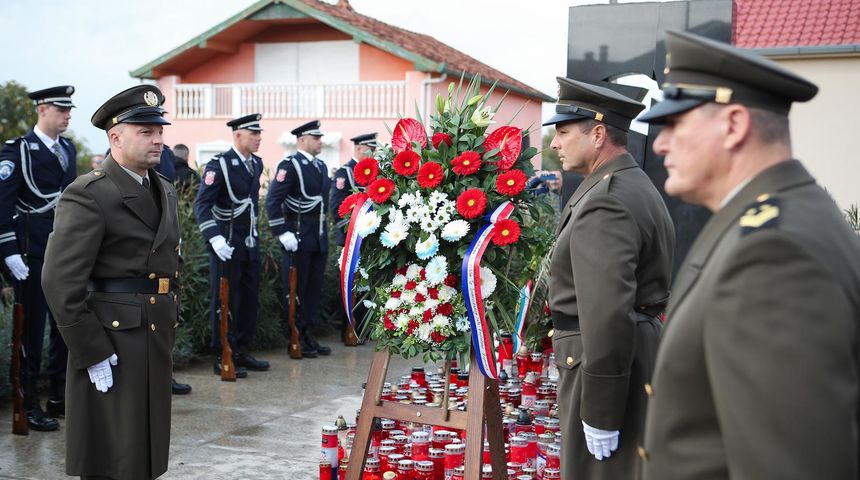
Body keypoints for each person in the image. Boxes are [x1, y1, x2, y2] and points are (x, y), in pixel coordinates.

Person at [637, 31, 860, 479]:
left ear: (734, 125)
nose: (660, 144)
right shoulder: (775, 218)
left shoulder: (771, 253)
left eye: (675, 123)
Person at [42, 84, 179, 479]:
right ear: (115, 138)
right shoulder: (89, 193)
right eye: (146, 132)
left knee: (144, 448)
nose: (157, 140)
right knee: (112, 451)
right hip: (112, 338)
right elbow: (59, 281)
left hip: (153, 331)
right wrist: (91, 349)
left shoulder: (164, 189)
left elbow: (169, 264)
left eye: (159, 131)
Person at [544, 77, 675, 479]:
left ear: (598, 134)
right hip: (622, 352)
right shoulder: (626, 183)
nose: (555, 143)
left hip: (600, 360)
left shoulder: (606, 201)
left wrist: (601, 410)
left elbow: (605, 313)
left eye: (563, 131)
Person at [0, 85, 78, 431]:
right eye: (61, 110)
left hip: (62, 251)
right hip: (30, 252)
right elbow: (2, 205)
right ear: (42, 109)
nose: (67, 116)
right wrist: (9, 252)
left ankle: (59, 395)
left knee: (65, 326)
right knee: (30, 331)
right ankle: (28, 402)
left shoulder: (68, 149)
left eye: (69, 110)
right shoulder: (17, 150)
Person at [194, 113, 270, 377]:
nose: (259, 138)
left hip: (249, 240)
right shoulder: (220, 165)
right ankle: (222, 352)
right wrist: (214, 237)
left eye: (259, 133)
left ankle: (241, 349)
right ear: (238, 135)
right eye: (254, 133)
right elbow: (202, 205)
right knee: (226, 299)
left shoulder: (256, 163)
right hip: (226, 241)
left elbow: (250, 204)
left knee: (249, 297)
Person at [266, 120, 332, 358]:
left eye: (320, 138)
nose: (320, 142)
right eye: (316, 138)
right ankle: (295, 335)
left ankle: (307, 334)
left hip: (317, 237)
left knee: (313, 289)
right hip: (297, 236)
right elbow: (272, 201)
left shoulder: (321, 166)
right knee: (296, 290)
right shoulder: (290, 165)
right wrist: (282, 232)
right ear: (302, 140)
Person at [330, 132, 378, 246]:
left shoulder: (375, 170)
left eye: (374, 150)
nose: (373, 154)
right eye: (371, 150)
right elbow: (336, 206)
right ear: (358, 148)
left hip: (371, 234)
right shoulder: (345, 172)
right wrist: (350, 229)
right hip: (351, 237)